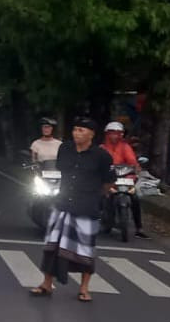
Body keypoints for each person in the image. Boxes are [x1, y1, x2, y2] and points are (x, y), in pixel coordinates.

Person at [32, 117, 114, 302]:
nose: (77, 133)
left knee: (85, 249)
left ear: (91, 134)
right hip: (62, 203)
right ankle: (46, 283)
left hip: (86, 206)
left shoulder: (102, 156)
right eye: (75, 129)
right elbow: (60, 171)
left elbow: (108, 181)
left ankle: (84, 288)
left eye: (82, 130)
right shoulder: (65, 148)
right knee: (52, 246)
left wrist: (95, 196)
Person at [101, 121, 147, 238]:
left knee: (135, 198)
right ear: (107, 134)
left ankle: (139, 228)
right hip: (108, 179)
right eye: (112, 133)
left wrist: (136, 169)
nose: (114, 136)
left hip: (125, 178)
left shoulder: (125, 147)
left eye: (117, 133)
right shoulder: (102, 148)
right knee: (98, 196)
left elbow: (132, 162)